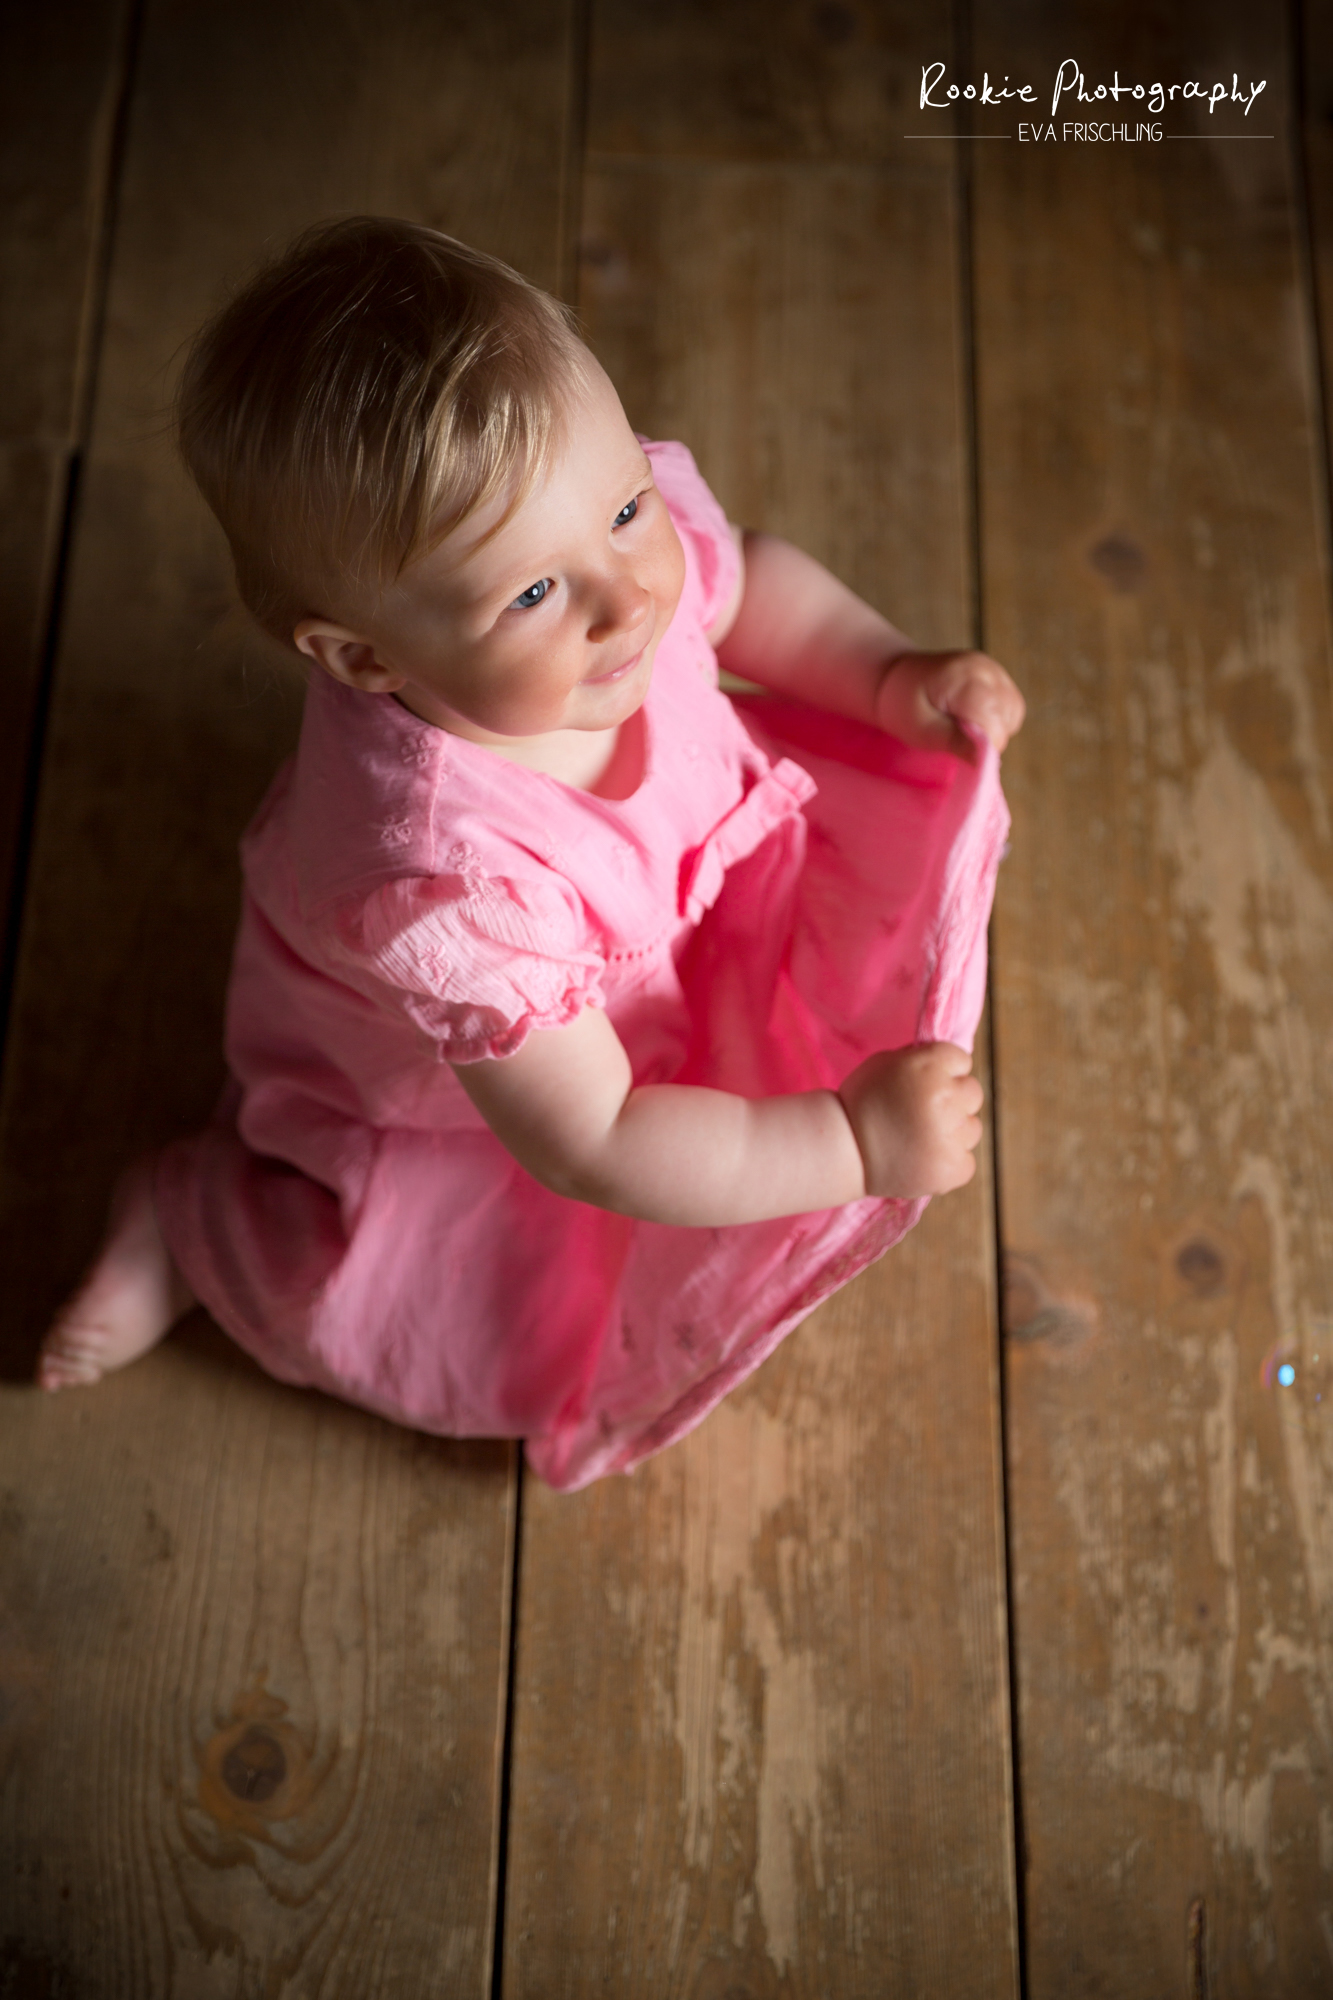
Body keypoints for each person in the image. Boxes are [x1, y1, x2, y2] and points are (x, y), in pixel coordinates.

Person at [36, 218, 1023, 1490]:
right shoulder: (448, 885)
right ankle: (190, 1224)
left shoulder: (603, 561)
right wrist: (848, 1143)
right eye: (533, 594)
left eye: (626, 506)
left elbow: (739, 584)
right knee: (412, 1301)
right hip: (493, 1090)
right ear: (367, 658)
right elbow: (594, 1136)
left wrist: (886, 672)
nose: (627, 597)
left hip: (663, 929)